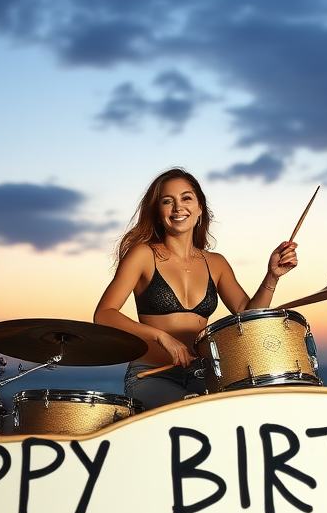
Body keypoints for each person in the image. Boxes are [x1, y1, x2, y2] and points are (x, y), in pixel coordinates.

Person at [94, 168, 297, 409]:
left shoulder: (216, 263)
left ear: (200, 208)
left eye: (186, 198)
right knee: (192, 413)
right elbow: (104, 314)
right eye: (167, 201)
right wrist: (161, 337)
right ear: (158, 213)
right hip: (152, 375)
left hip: (205, 375)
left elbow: (248, 316)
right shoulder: (143, 255)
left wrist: (272, 276)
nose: (178, 207)